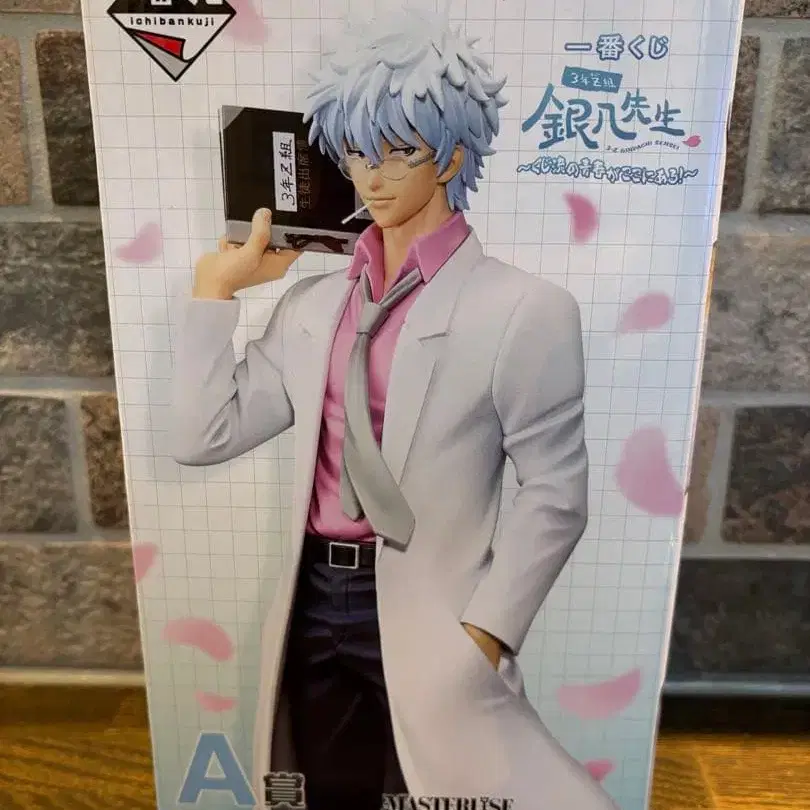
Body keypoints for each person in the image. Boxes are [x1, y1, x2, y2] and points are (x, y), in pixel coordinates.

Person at [170, 8, 617, 810]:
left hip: (433, 607)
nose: (372, 178)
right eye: (356, 153)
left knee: (445, 790)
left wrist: (487, 633)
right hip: (314, 596)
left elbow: (556, 491)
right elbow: (204, 436)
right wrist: (216, 295)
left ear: (451, 155)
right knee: (327, 788)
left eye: (399, 152)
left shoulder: (524, 309)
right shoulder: (313, 306)